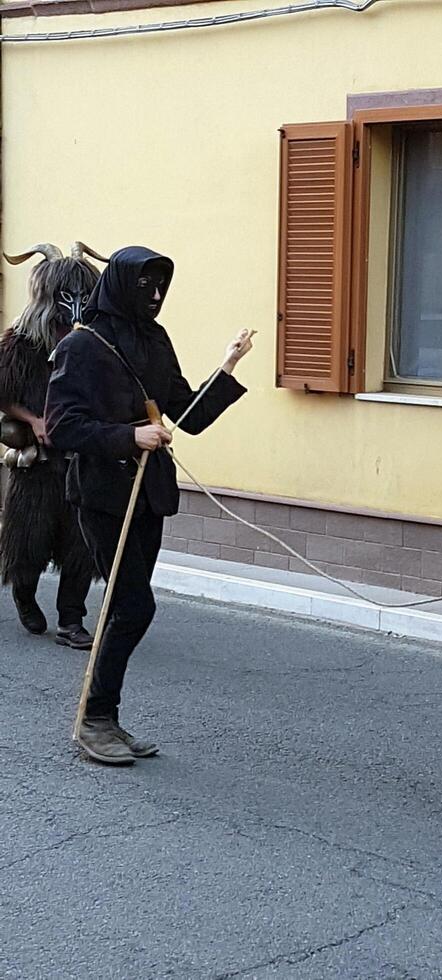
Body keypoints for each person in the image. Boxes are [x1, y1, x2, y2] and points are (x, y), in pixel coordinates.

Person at [45, 246, 255, 765]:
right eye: (147, 287)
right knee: (135, 606)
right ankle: (95, 720)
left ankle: (106, 720)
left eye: (162, 287)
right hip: (104, 497)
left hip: (149, 495)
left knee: (124, 608)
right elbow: (62, 426)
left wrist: (227, 367)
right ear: (120, 285)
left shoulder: (155, 340)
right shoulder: (82, 346)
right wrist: (128, 436)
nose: (157, 297)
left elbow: (187, 415)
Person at [0, 242, 103, 648]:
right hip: (38, 465)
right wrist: (34, 419)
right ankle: (24, 595)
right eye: (67, 294)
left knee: (81, 544)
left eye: (82, 295)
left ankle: (71, 620)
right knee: (29, 541)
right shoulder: (22, 344)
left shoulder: (96, 344)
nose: (75, 304)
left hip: (84, 460)